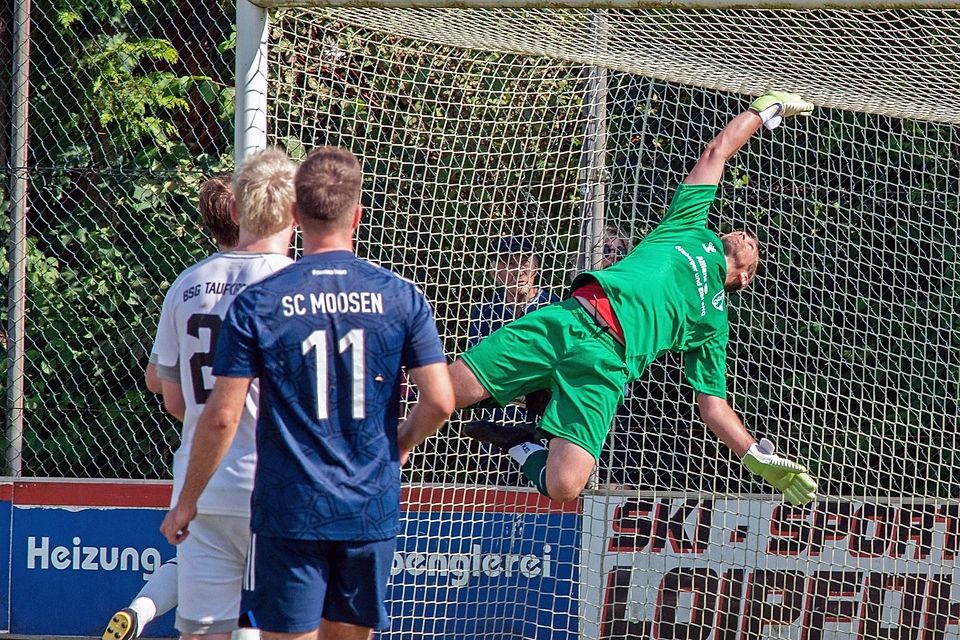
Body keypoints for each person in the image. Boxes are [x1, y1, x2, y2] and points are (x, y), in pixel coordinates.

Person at [455, 92, 818, 506]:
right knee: (444, 394)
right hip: (574, 318)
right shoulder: (688, 228)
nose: (746, 237)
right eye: (744, 233)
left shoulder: (714, 323)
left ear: (744, 279)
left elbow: (713, 406)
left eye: (753, 246)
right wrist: (761, 111)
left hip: (607, 366)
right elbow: (717, 152)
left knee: (564, 485)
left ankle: (522, 443)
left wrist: (754, 456)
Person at [161, 146, 455, 640]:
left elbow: (220, 416)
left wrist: (187, 500)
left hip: (289, 504)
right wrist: (397, 447)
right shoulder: (401, 293)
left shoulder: (262, 300)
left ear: (295, 213)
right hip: (366, 501)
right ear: (358, 215)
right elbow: (442, 400)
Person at [123, 150, 297, 640]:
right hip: (279, 485)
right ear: (296, 214)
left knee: (203, 631)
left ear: (237, 210)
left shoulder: (187, 285)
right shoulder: (298, 287)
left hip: (203, 486)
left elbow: (175, 402)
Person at [104, 174, 243, 640]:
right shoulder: (281, 283)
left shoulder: (187, 285)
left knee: (200, 582)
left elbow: (160, 385)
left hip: (199, 468)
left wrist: (204, 418)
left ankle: (141, 610)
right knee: (265, 594)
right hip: (263, 464)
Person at [465, 236, 559, 485]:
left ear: (536, 265)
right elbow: (479, 368)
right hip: (497, 422)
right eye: (508, 263)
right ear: (495, 271)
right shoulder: (485, 312)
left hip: (544, 423)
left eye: (524, 261)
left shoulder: (554, 309)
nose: (518, 270)